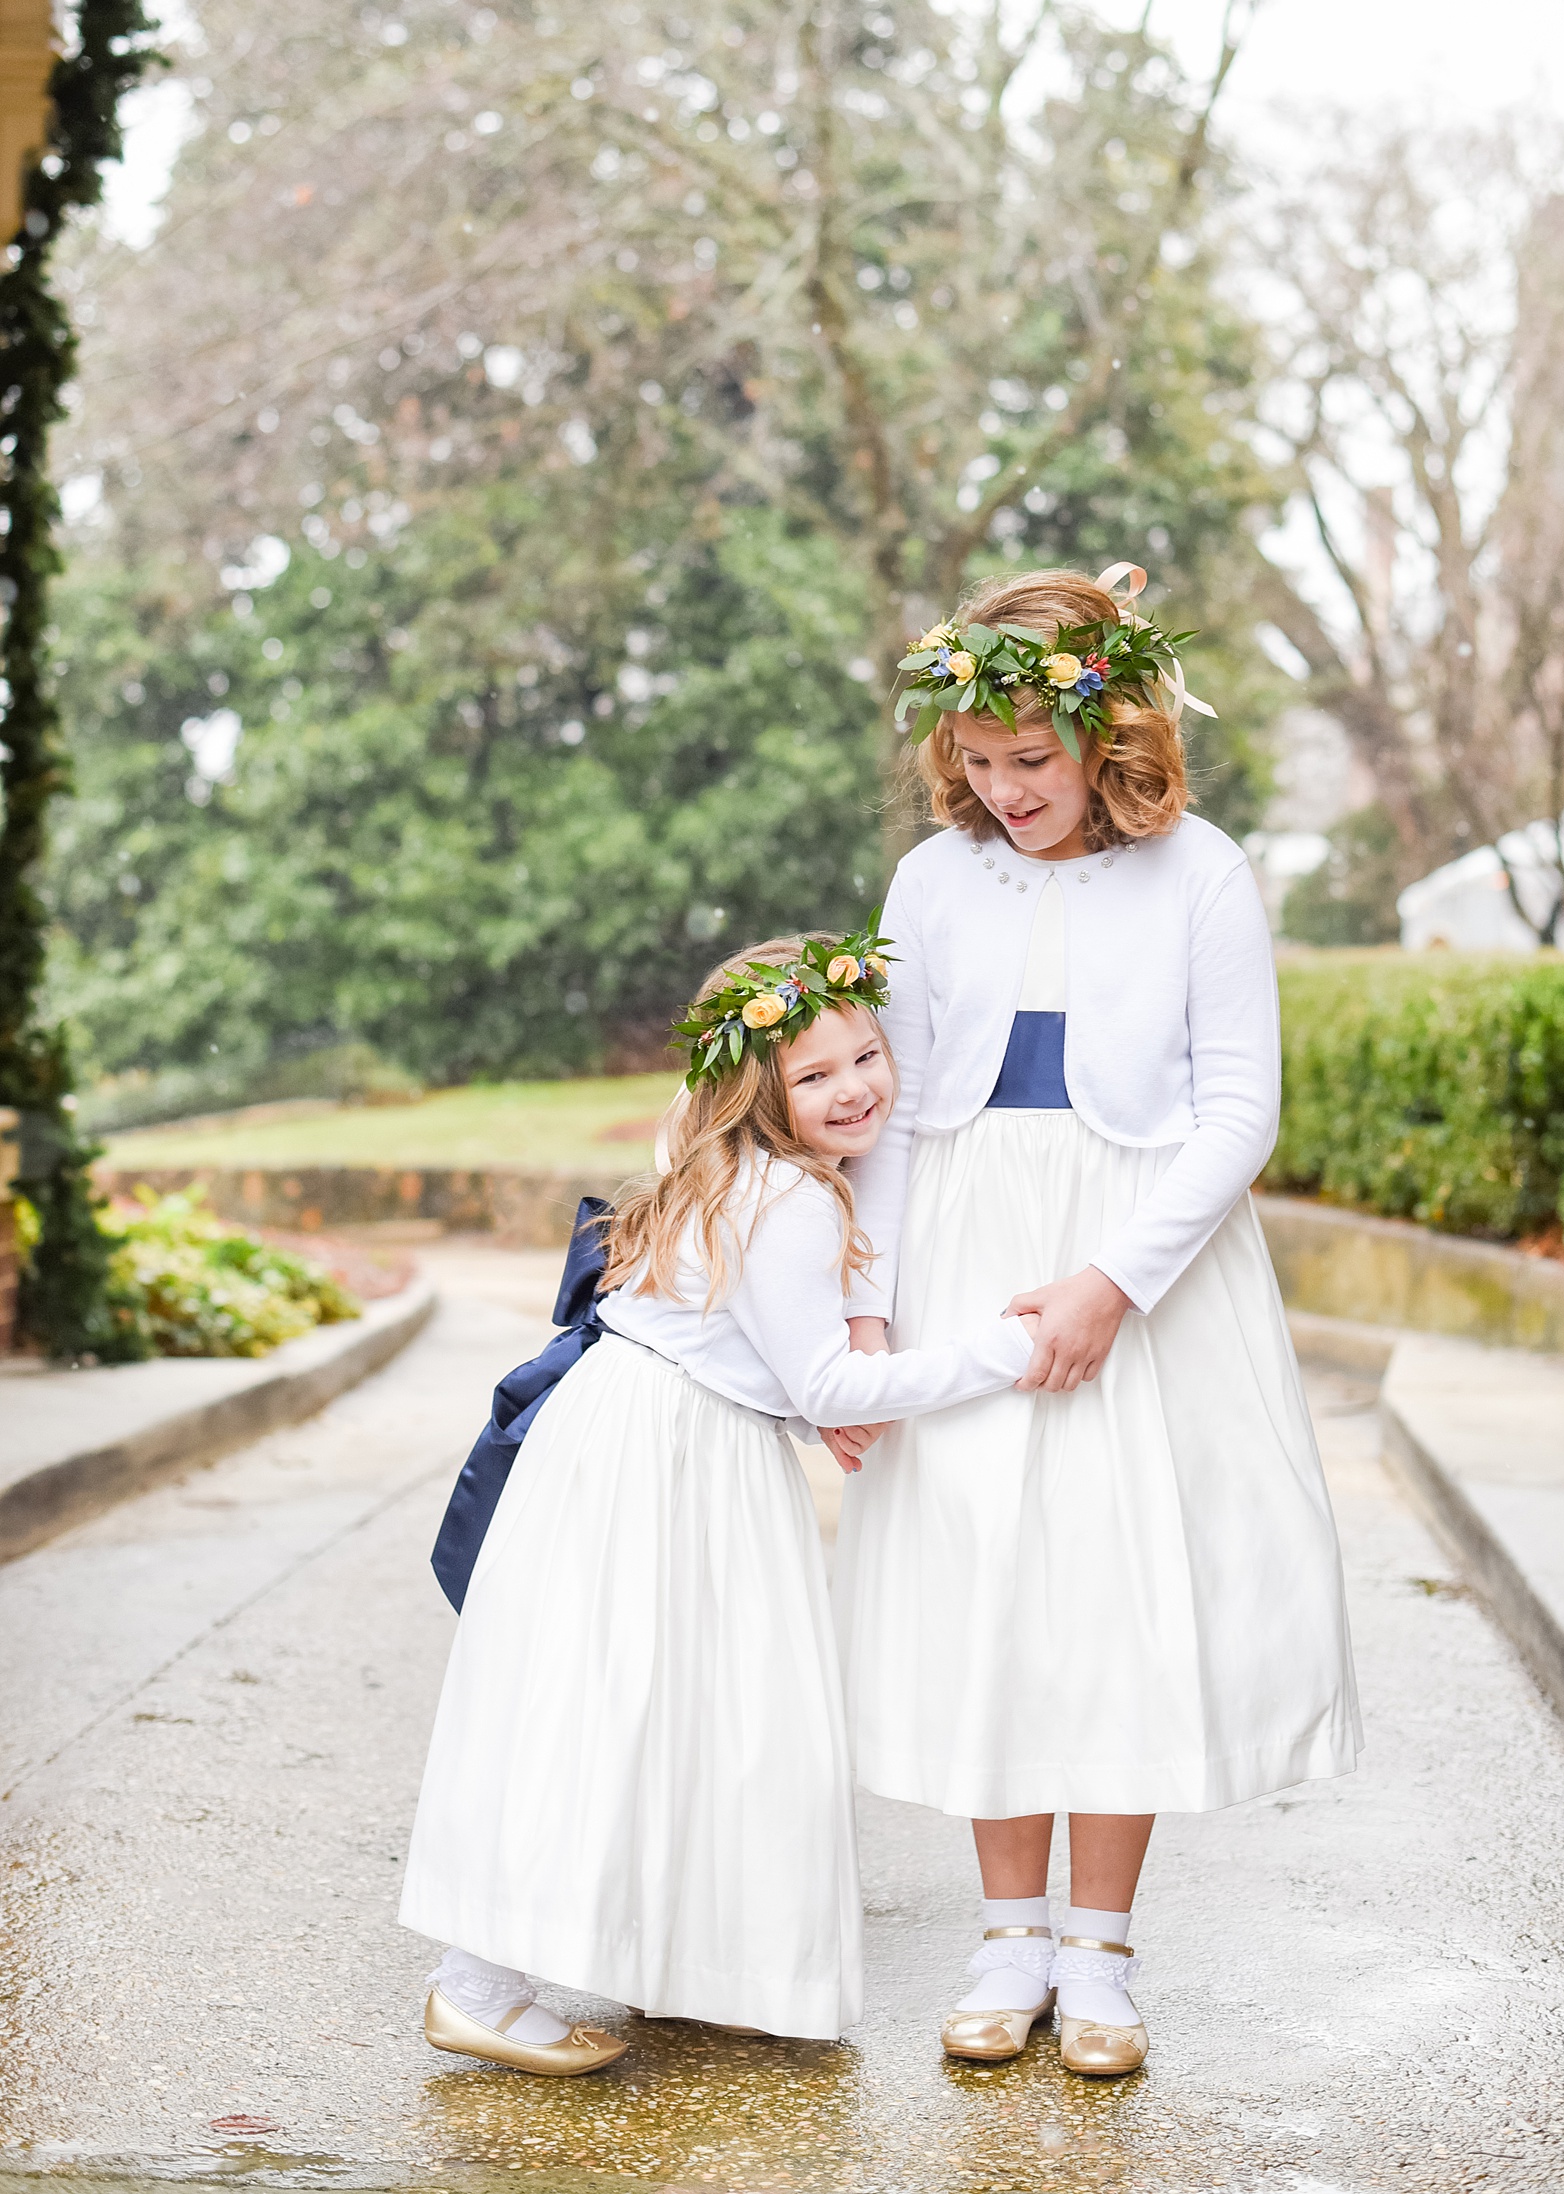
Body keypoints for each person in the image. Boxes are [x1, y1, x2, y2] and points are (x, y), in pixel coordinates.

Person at [833, 565, 1361, 2078]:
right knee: (992, 1572)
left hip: (1146, 1260)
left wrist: (1111, 1282)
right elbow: (894, 1111)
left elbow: (1236, 1110)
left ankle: (1100, 1947)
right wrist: (870, 1313)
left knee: (1120, 1587)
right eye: (978, 764)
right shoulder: (932, 885)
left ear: (1109, 733)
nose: (1005, 791)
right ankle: (1005, 1934)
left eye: (1034, 762)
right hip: (968, 1251)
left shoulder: (1200, 872)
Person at [399, 928, 1040, 2074]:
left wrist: (810, 1401)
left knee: (695, 1710)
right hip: (667, 1456)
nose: (853, 1089)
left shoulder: (719, 1164)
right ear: (759, 1088)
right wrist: (1001, 1349)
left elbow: (766, 1359)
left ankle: (690, 1963)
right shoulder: (787, 1199)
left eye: (864, 1055)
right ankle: (475, 1981)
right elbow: (826, 1380)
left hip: (654, 1436)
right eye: (813, 1073)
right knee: (621, 1708)